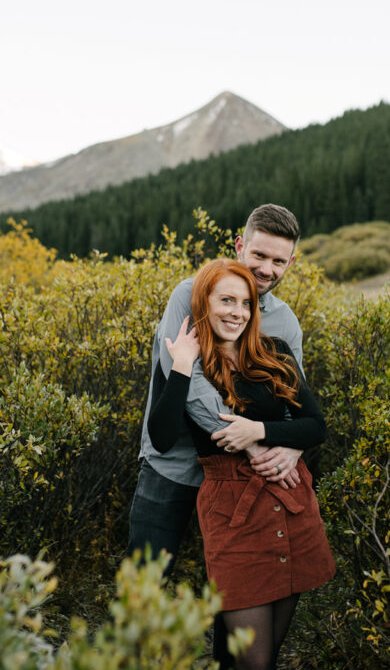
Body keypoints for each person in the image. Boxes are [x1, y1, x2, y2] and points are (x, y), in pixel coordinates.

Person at [147, 258, 336, 670]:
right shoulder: (193, 363)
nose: (237, 311)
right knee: (252, 663)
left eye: (245, 303)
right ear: (204, 303)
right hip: (231, 511)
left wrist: (262, 428)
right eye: (225, 300)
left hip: (291, 503)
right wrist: (178, 367)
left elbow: (315, 424)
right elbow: (162, 437)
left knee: (267, 658)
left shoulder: (272, 354)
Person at [127, 204, 306, 571]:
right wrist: (250, 440)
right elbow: (185, 381)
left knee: (238, 593)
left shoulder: (286, 324)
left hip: (243, 478)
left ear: (291, 262)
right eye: (259, 255)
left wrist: (292, 447)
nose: (267, 269)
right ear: (240, 246)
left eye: (278, 261)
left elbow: (295, 401)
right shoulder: (189, 295)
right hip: (172, 465)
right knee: (143, 584)